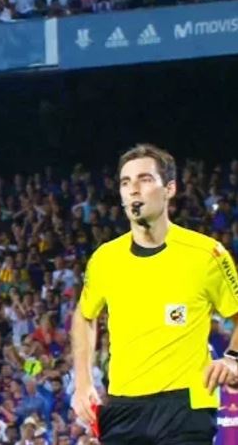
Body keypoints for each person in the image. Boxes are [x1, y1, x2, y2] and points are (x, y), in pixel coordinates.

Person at [71, 143, 238, 444]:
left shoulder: (206, 254)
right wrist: (83, 383)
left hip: (185, 406)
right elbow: (84, 316)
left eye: (145, 179)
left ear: (169, 189)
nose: (133, 189)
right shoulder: (105, 259)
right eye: (126, 182)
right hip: (122, 408)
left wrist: (232, 359)